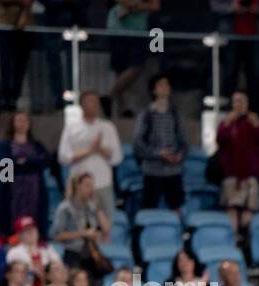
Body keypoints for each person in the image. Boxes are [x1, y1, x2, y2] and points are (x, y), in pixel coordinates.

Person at [56, 91, 123, 222]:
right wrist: (89, 150)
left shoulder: (108, 127)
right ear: (81, 105)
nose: (94, 105)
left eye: (96, 102)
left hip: (103, 184)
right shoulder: (71, 127)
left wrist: (100, 150)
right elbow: (63, 157)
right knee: (77, 224)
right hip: (78, 185)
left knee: (105, 225)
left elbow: (117, 158)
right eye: (89, 101)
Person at [216, 91, 259, 239]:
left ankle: (246, 241)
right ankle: (232, 239)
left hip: (251, 175)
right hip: (231, 174)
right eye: (236, 101)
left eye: (242, 101)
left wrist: (257, 125)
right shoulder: (226, 122)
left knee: (249, 212)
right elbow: (219, 141)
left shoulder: (253, 121)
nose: (239, 105)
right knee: (231, 210)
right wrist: (226, 124)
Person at [133, 74, 188, 215]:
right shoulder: (146, 115)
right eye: (161, 85)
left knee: (176, 206)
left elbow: (184, 142)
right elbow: (138, 144)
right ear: (154, 90)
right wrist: (159, 153)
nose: (165, 88)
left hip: (174, 170)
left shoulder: (176, 114)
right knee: (149, 208)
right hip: (152, 170)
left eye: (167, 85)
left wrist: (179, 155)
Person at [0, 112, 54, 238]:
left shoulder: (37, 145)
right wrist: (28, 164)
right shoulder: (4, 145)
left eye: (25, 120)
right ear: (13, 123)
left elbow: (44, 162)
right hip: (11, 188)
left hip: (34, 188)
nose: (22, 123)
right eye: (19, 120)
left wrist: (22, 162)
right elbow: (4, 167)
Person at [50, 171, 111, 283]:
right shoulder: (65, 208)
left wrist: (97, 206)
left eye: (92, 185)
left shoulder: (91, 207)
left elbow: (106, 230)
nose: (91, 189)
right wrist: (83, 233)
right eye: (87, 185)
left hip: (91, 255)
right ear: (77, 186)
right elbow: (56, 235)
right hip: (73, 254)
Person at [107, 0, 159, 118]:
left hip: (138, 30)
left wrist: (132, 6)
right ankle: (126, 108)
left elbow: (155, 5)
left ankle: (110, 96)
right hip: (117, 28)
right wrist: (137, 5)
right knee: (120, 69)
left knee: (137, 66)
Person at [7, 217, 63, 286]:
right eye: (26, 231)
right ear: (19, 235)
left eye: (32, 229)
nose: (31, 233)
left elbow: (59, 265)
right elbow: (14, 276)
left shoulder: (47, 248)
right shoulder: (14, 252)